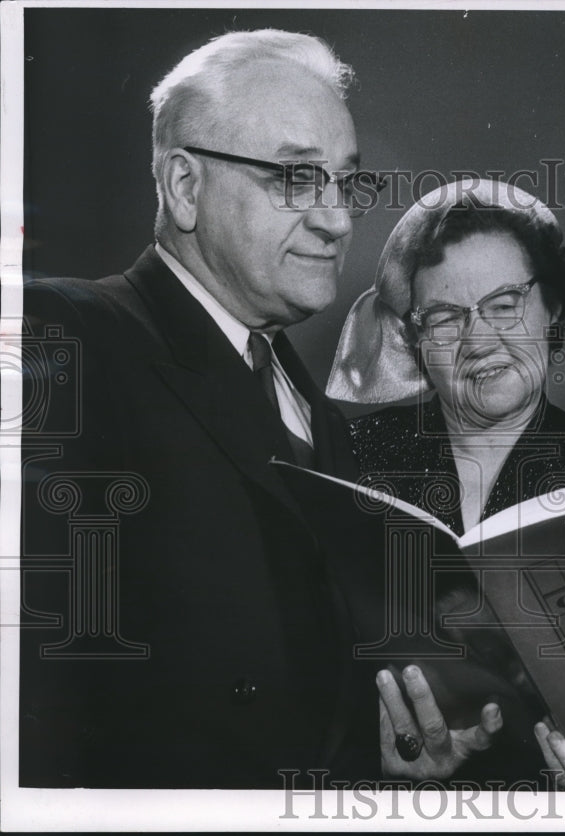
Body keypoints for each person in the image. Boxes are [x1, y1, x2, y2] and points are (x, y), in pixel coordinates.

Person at [20, 29, 383, 788]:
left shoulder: (319, 416)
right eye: (295, 177)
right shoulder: (61, 336)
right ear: (185, 187)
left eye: (345, 182)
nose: (338, 219)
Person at [327, 178, 565, 783]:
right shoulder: (348, 460)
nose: (480, 339)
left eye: (505, 304)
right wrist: (372, 760)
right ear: (414, 338)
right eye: (446, 318)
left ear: (552, 307)